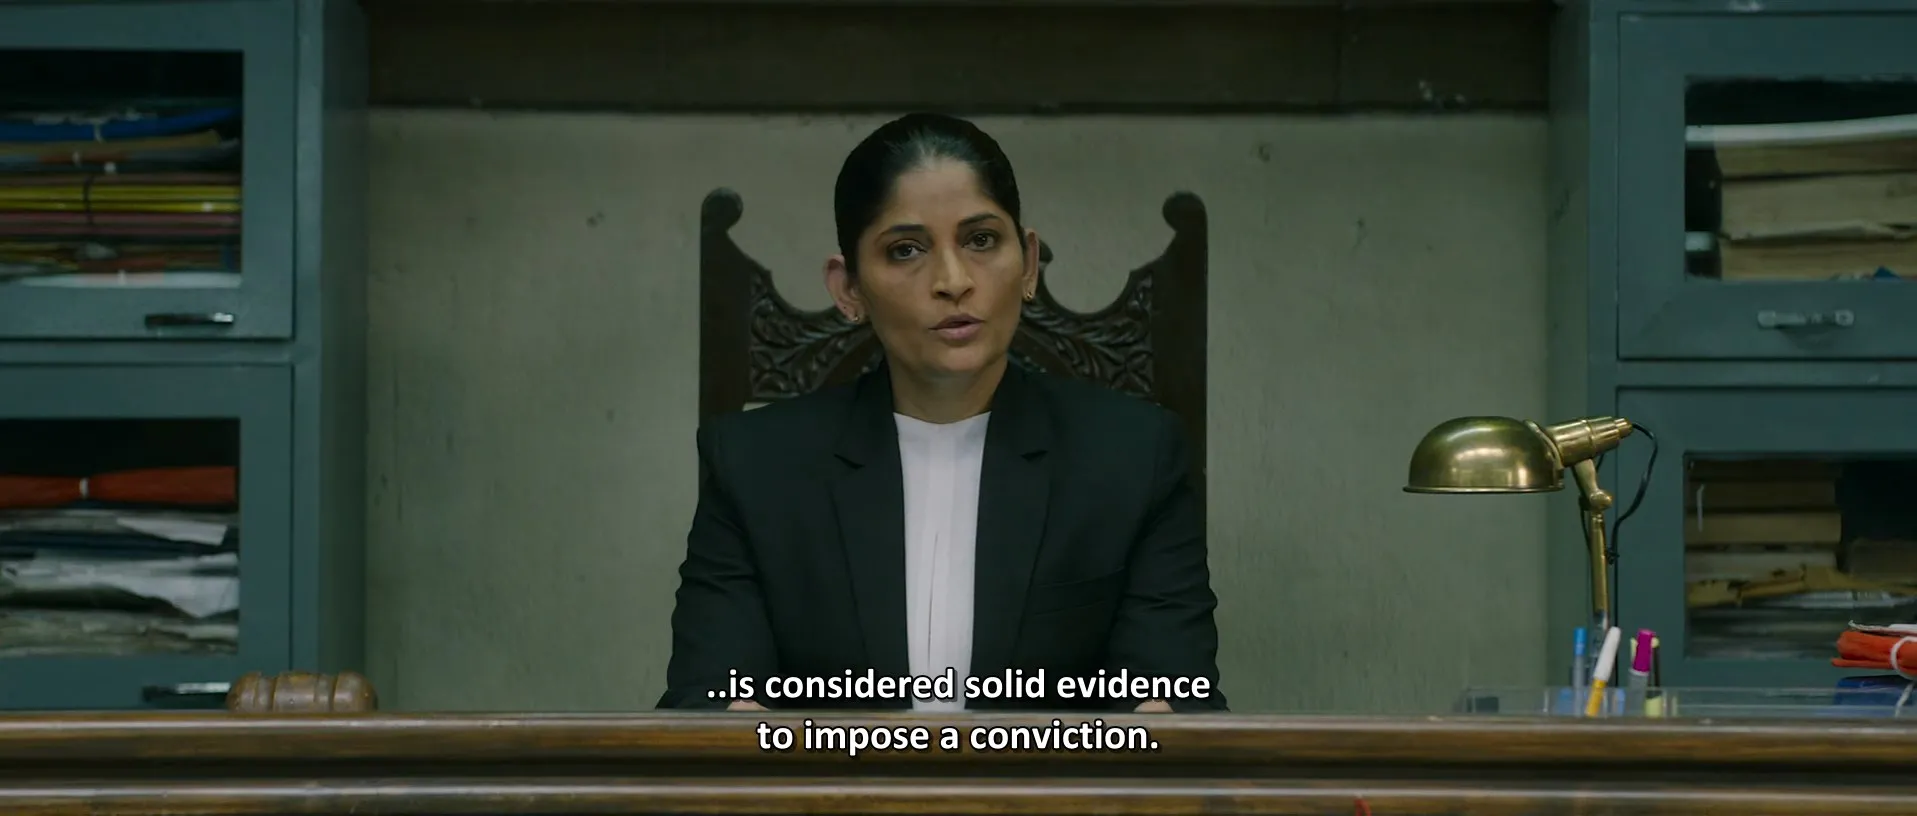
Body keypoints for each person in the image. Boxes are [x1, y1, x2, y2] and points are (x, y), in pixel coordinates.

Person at [659, 113, 1224, 713]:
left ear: (1028, 262)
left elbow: (1174, 702)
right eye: (905, 250)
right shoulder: (754, 467)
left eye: (981, 240)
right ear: (848, 288)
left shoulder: (1135, 458)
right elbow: (709, 705)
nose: (953, 281)